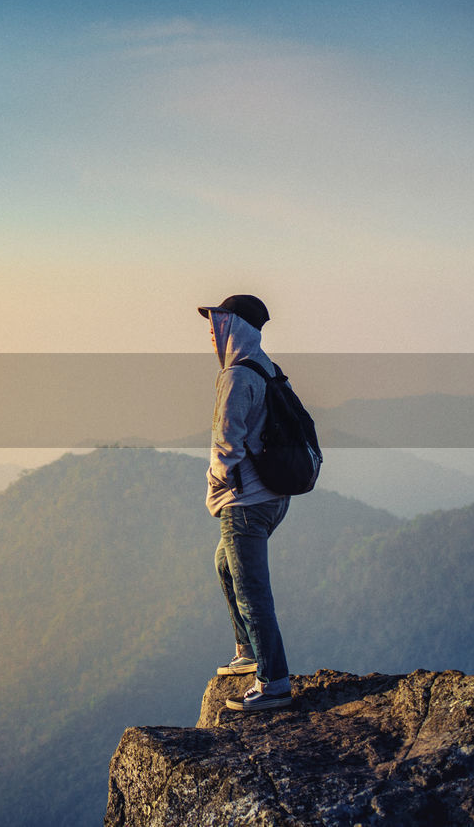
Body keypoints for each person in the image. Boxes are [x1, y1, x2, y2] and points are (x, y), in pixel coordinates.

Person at [197, 294, 293, 711]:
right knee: (225, 564)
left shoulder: (236, 375)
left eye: (217, 321)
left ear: (232, 326)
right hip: (274, 497)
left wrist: (217, 484)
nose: (211, 330)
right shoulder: (266, 366)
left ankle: (273, 682)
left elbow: (226, 442)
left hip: (246, 502)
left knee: (253, 591)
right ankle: (248, 650)